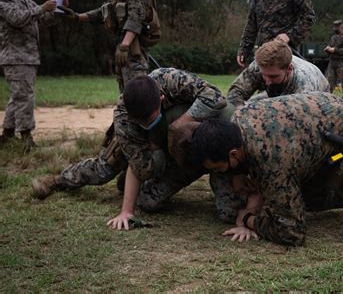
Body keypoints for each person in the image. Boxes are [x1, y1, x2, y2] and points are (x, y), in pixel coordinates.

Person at [190, 93, 343, 246]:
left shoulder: (271, 157)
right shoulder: (238, 121)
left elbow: (292, 231)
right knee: (294, 200)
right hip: (327, 147)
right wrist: (239, 175)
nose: (222, 175)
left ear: (233, 154)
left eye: (221, 168)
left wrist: (249, 219)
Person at [32, 70, 245, 227]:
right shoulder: (125, 120)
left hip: (200, 145)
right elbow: (142, 166)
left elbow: (216, 97)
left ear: (162, 100)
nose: (144, 124)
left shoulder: (171, 80)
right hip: (156, 149)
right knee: (107, 170)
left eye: (148, 119)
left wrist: (181, 125)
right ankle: (58, 180)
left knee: (229, 213)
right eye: (140, 121)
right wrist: (127, 211)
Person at [63, 0, 160, 92]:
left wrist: (124, 46)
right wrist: (78, 16)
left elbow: (136, 16)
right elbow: (107, 11)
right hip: (123, 47)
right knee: (126, 98)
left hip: (133, 49)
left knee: (137, 95)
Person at [0, 0, 60, 151]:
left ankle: (7, 135)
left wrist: (57, 8)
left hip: (29, 56)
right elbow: (17, 18)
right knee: (24, 97)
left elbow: (44, 19)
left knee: (18, 96)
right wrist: (42, 7)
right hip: (15, 57)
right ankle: (26, 138)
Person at [236, 0, 316, 68]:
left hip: (285, 56)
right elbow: (251, 25)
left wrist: (290, 35)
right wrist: (244, 49)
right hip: (263, 55)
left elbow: (309, 17)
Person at [228, 40, 329, 108]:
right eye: (264, 75)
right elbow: (236, 93)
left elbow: (301, 120)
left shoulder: (304, 84)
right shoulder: (260, 64)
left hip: (318, 103)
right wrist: (241, 111)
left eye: (273, 76)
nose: (267, 82)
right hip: (279, 92)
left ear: (289, 69)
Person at [324, 20, 343, 94]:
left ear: (341, 27)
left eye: (337, 27)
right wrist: (328, 49)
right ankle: (328, 97)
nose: (335, 29)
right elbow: (330, 46)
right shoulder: (333, 37)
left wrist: (335, 50)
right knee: (329, 81)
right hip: (332, 62)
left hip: (342, 62)